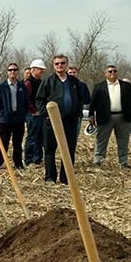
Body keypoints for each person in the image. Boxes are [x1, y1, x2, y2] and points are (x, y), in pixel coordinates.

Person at [36, 54, 83, 184]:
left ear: (66, 65)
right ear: (53, 65)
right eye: (57, 63)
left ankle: (66, 178)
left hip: (70, 121)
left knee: (69, 150)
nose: (60, 66)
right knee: (49, 149)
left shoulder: (74, 82)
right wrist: (46, 114)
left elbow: (80, 99)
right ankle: (50, 177)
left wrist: (78, 113)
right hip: (51, 122)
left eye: (62, 63)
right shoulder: (48, 81)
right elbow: (39, 100)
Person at [88, 65, 131, 168]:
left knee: (123, 140)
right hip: (105, 117)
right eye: (110, 71)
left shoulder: (126, 86)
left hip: (123, 117)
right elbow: (93, 103)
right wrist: (91, 115)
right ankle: (98, 160)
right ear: (105, 74)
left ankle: (123, 161)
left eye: (114, 71)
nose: (112, 73)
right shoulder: (99, 87)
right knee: (101, 140)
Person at [0, 62, 28, 169]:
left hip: (19, 120)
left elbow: (27, 101)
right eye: (10, 70)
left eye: (15, 70)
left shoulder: (22, 87)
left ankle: (18, 163)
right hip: (5, 120)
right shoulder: (1, 87)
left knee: (18, 143)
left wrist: (23, 113)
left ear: (17, 72)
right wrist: (2, 112)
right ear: (7, 72)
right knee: (2, 142)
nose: (12, 72)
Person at [24, 58, 47, 166]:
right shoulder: (28, 83)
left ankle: (37, 158)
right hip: (32, 114)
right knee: (32, 137)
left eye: (42, 70)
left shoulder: (40, 82)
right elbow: (26, 99)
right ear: (33, 70)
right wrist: (33, 111)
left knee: (40, 137)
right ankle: (29, 159)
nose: (42, 71)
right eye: (40, 69)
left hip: (40, 113)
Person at [68, 66, 91, 139]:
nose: (72, 74)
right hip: (64, 115)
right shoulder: (63, 85)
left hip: (77, 115)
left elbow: (87, 100)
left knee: (74, 137)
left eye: (74, 72)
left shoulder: (82, 86)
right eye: (70, 72)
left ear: (77, 73)